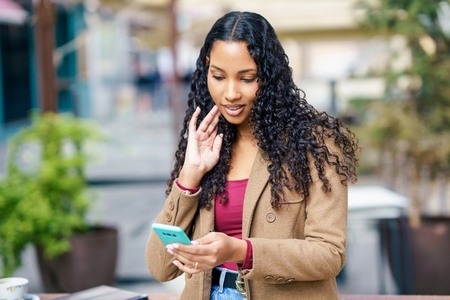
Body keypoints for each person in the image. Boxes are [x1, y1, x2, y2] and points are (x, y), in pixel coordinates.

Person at [145, 11, 359, 300]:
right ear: (206, 69)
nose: (230, 93)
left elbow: (329, 254)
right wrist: (189, 177)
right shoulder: (207, 144)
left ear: (269, 76)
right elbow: (160, 268)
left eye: (247, 78)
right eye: (218, 76)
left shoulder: (314, 144)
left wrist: (240, 251)